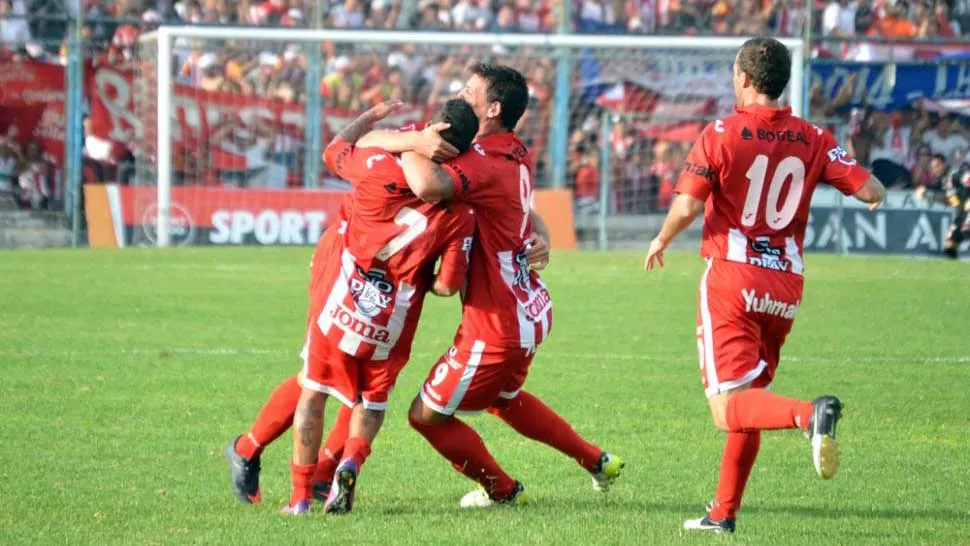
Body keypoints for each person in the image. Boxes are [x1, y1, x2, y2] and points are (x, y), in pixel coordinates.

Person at [643, 37, 886, 533]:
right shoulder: (816, 136)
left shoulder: (720, 132)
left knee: (727, 407)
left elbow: (688, 206)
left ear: (745, 79)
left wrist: (660, 238)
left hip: (733, 276)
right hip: (785, 284)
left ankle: (808, 414)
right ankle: (723, 514)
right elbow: (872, 192)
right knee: (751, 396)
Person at [356, 63, 624, 508]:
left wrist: (411, 141)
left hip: (496, 323)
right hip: (528, 306)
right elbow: (520, 206)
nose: (459, 95)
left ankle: (503, 490)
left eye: (468, 90)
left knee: (426, 417)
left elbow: (425, 184)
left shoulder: (482, 161)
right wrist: (543, 233)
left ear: (493, 108)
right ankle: (598, 461)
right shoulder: (512, 151)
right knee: (505, 399)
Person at [226, 98, 480, 515]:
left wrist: (379, 121)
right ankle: (282, 456)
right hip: (368, 282)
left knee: (327, 378)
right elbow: (447, 284)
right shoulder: (457, 195)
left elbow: (341, 148)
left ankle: (305, 475)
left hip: (353, 273)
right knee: (347, 385)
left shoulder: (387, 161)